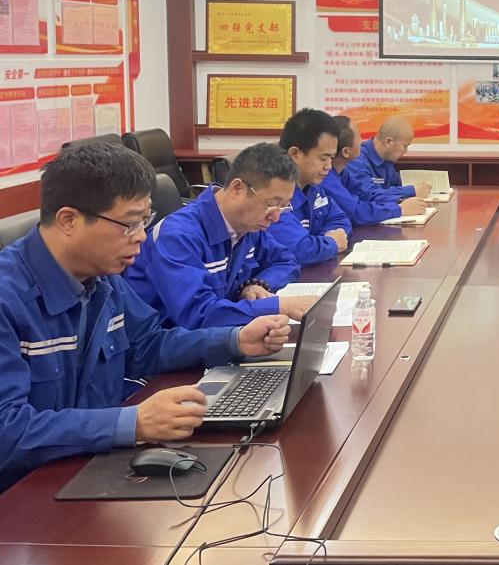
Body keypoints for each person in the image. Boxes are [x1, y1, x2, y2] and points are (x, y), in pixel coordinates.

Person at [0, 144, 289, 492]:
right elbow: (7, 430)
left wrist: (234, 340)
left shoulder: (102, 278)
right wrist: (132, 423)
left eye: (144, 220)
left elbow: (147, 345)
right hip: (23, 494)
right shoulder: (9, 297)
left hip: (87, 467)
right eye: (129, 223)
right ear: (69, 221)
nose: (140, 235)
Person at [125, 143, 317, 328]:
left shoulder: (248, 226)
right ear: (237, 188)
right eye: (271, 205)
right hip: (167, 343)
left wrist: (255, 285)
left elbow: (287, 261)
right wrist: (276, 306)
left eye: (283, 207)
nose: (275, 217)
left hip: (220, 337)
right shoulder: (177, 236)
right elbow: (198, 315)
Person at [270, 109, 352, 265]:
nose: (329, 166)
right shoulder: (273, 193)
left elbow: (340, 219)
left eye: (331, 158)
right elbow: (299, 249)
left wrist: (323, 242)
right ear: (295, 154)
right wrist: (331, 243)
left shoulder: (313, 185)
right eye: (323, 158)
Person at [323, 115, 426, 225]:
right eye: (358, 137)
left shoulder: (342, 173)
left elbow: (368, 197)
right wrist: (399, 209)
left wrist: (399, 203)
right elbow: (357, 211)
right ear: (346, 152)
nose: (363, 142)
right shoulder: (327, 177)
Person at [343, 115, 431, 203]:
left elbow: (396, 187)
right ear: (388, 142)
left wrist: (415, 189)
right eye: (405, 146)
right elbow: (368, 195)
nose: (405, 152)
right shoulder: (356, 160)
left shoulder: (387, 159)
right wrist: (412, 191)